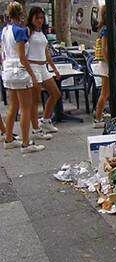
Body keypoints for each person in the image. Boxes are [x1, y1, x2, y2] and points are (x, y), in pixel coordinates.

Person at [1, 2, 45, 153]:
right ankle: (26, 143)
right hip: (19, 71)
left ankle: (8, 139)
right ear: (21, 13)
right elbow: (22, 57)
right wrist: (32, 75)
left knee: (12, 106)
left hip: (8, 70)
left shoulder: (5, 30)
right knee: (26, 108)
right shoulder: (20, 31)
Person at [26, 7, 61, 140]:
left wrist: (54, 68)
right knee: (35, 101)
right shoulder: (28, 31)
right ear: (32, 18)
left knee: (55, 93)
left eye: (41, 18)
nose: (40, 20)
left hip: (43, 67)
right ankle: (35, 129)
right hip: (33, 66)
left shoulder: (42, 32)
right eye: (37, 18)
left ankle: (46, 120)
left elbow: (46, 53)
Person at [94, 5, 116, 128]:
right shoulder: (106, 29)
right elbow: (104, 49)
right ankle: (98, 118)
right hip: (107, 63)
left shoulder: (108, 28)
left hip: (109, 63)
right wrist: (112, 64)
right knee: (106, 91)